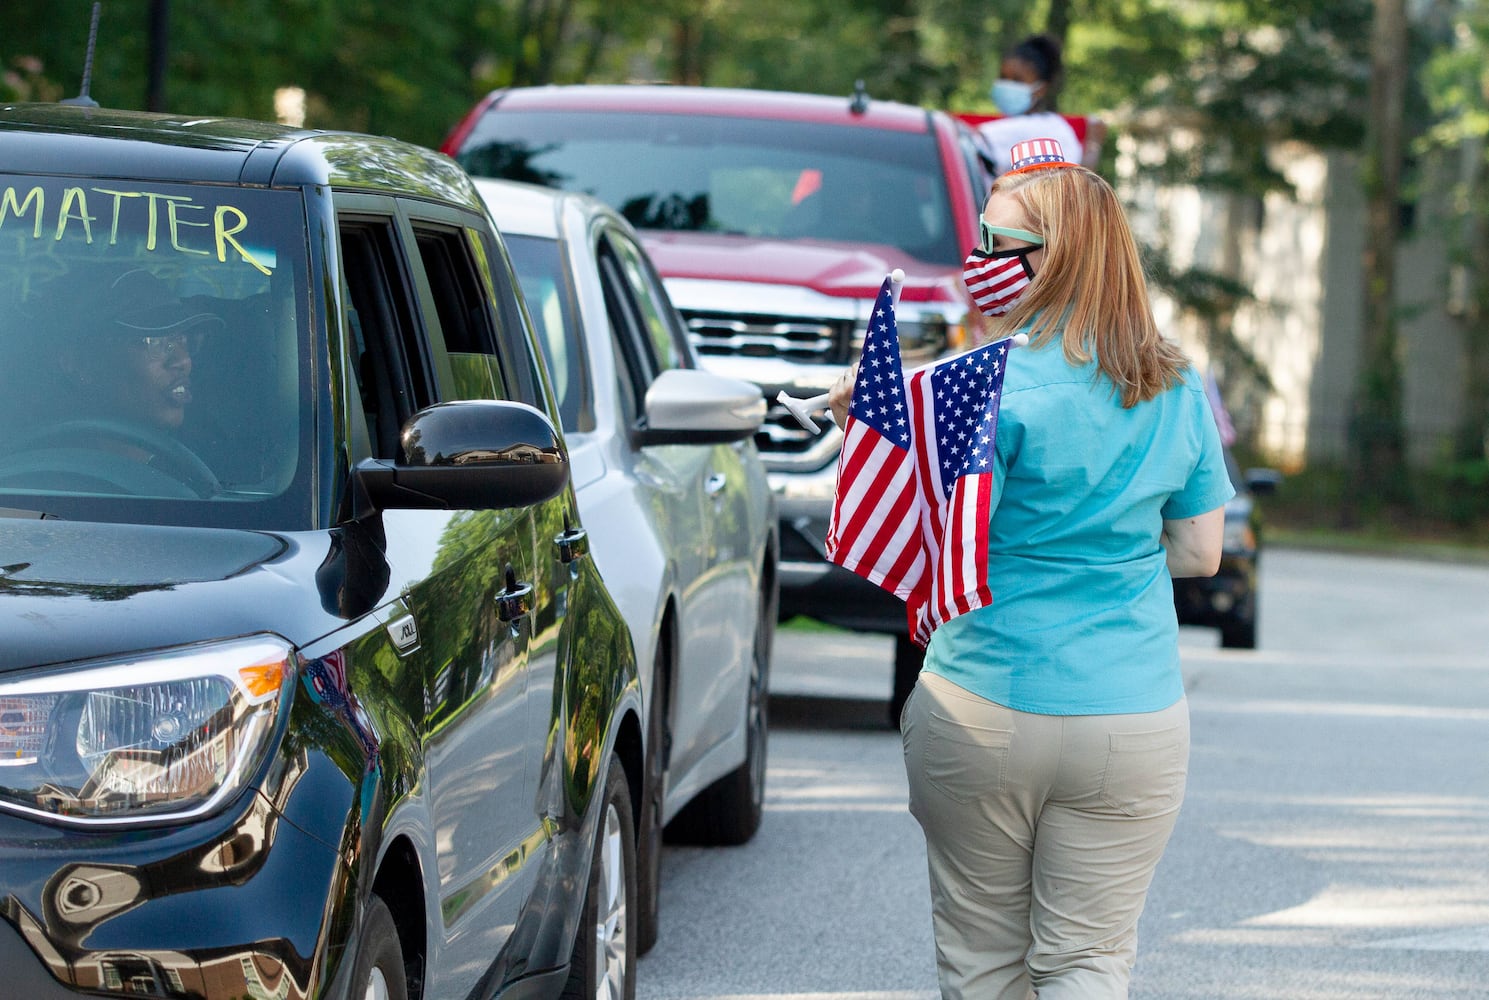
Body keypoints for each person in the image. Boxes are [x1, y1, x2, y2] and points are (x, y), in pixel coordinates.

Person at [828, 138, 1233, 999]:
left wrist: (876, 410)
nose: (976, 262)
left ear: (1054, 258)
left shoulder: (977, 387)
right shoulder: (1177, 385)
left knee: (983, 966)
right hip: (1132, 717)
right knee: (1086, 960)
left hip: (981, 706)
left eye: (993, 245)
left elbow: (924, 529)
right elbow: (1200, 552)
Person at [981, 33, 1107, 176]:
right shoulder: (1060, 127)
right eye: (1003, 77)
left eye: (1017, 80)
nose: (1006, 85)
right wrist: (1093, 144)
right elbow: (1083, 177)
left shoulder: (1026, 130)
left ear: (1040, 89)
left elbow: (971, 139)